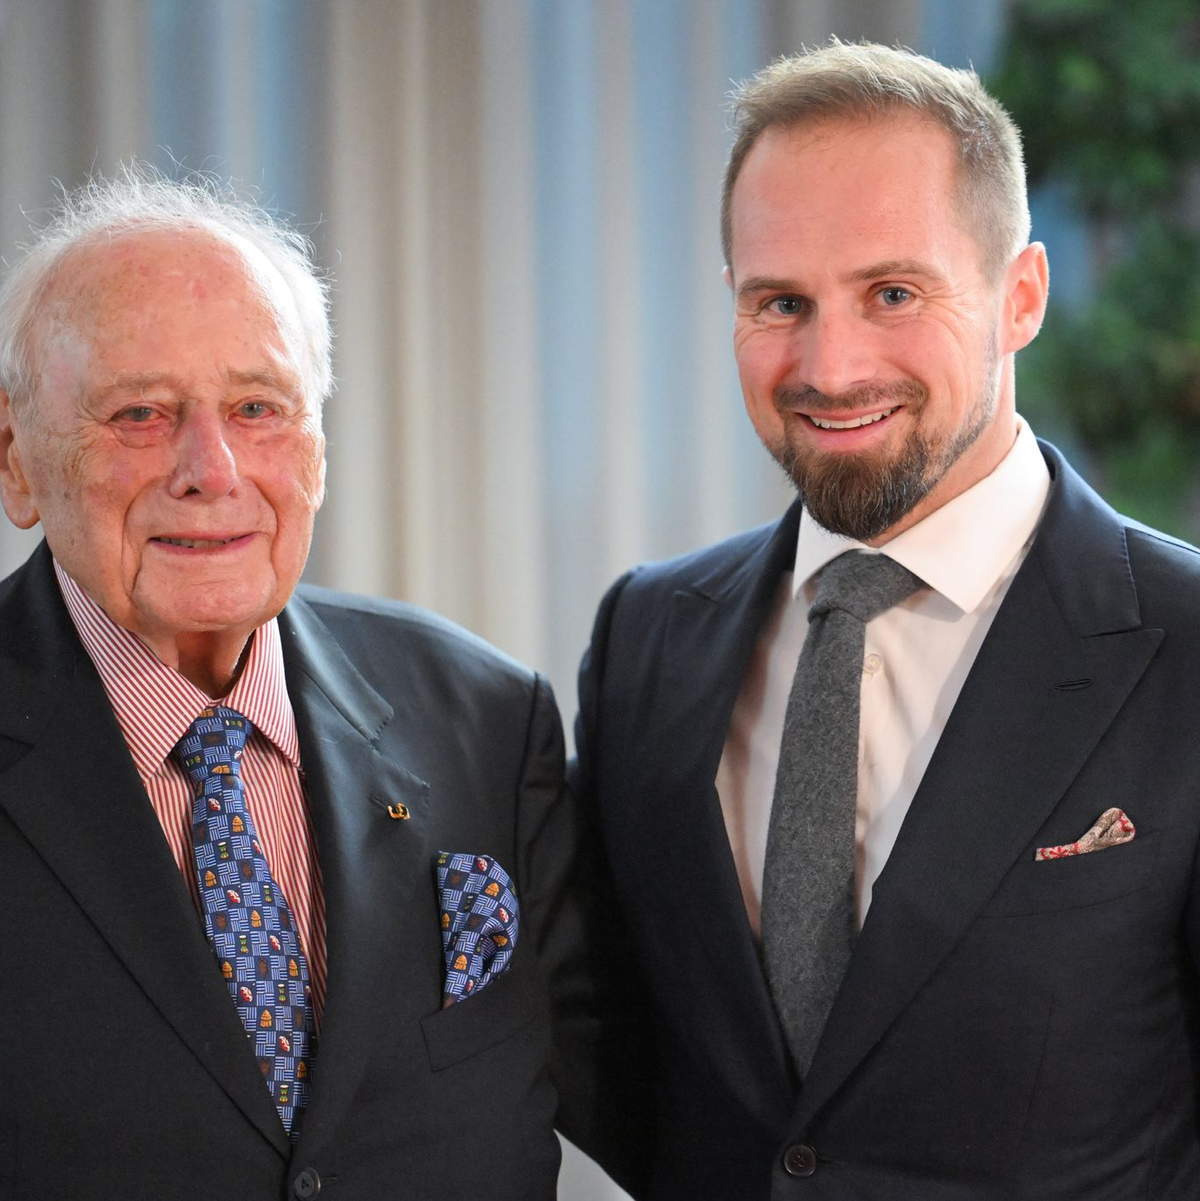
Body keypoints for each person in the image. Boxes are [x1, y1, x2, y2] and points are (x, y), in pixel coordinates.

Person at [568, 41, 1200, 1199]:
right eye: (781, 302)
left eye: (893, 293)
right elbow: (621, 1057)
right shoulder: (648, 637)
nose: (830, 364)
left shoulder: (1185, 645)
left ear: (1021, 297)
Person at [0, 170, 580, 1200]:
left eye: (258, 407)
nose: (213, 468)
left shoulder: (488, 717)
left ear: (317, 443)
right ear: (15, 459)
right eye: (139, 413)